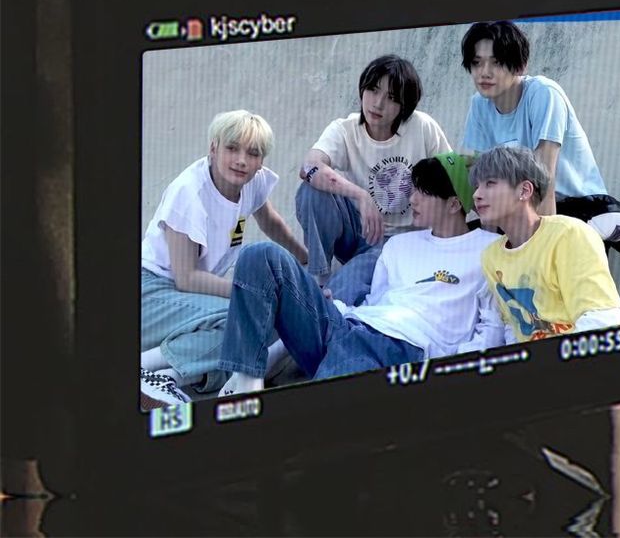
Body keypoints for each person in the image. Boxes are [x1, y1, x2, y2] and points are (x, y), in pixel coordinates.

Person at [217, 152, 503, 396]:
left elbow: (491, 326)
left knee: (321, 413)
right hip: (347, 326)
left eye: (423, 192)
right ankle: (248, 381)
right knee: (260, 255)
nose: (412, 199)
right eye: (414, 188)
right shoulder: (398, 245)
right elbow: (377, 302)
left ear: (454, 205)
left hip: (397, 348)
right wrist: (334, 306)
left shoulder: (488, 251)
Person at [139, 109, 307, 409]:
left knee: (263, 325)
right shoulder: (188, 194)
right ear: (213, 147)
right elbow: (186, 277)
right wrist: (256, 296)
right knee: (241, 320)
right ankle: (149, 370)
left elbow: (270, 222)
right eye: (232, 148)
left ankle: (175, 375)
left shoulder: (250, 181)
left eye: (253, 153)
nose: (241, 160)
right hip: (151, 292)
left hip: (187, 296)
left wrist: (304, 263)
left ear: (261, 161)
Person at [460, 20, 620, 253]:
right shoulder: (479, 105)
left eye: (497, 62)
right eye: (476, 63)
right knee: (466, 238)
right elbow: (477, 173)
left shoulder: (543, 93)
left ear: (520, 66)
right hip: (521, 207)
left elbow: (545, 180)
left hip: (576, 206)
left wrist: (540, 253)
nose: (484, 72)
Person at [296, 54, 451, 305]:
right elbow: (309, 166)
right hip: (356, 231)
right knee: (311, 191)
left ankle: (323, 306)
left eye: (391, 98)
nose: (377, 104)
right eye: (373, 90)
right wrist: (361, 195)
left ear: (404, 106)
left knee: (342, 293)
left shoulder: (422, 128)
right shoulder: (344, 129)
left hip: (399, 241)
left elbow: (454, 182)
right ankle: (319, 274)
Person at [470, 146, 620, 343]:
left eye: (490, 183)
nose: (476, 194)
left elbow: (601, 319)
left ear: (524, 190)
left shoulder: (569, 235)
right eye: (476, 186)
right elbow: (512, 328)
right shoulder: (490, 257)